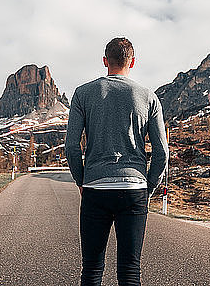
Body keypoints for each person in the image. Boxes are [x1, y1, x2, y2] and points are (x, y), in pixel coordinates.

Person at [65, 37, 169, 286]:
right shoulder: (149, 97)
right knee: (130, 270)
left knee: (91, 269)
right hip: (134, 190)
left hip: (95, 188)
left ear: (105, 61)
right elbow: (162, 151)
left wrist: (82, 181)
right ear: (132, 62)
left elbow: (71, 146)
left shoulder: (83, 93)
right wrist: (148, 186)